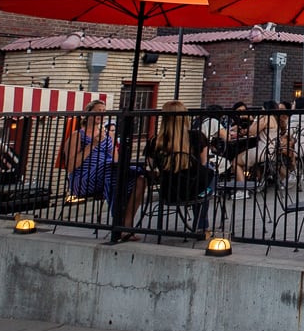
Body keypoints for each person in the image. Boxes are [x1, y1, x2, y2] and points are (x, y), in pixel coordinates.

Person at [60, 100, 145, 238]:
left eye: (104, 111)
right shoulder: (78, 135)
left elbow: (116, 161)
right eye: (98, 110)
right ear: (88, 113)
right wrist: (92, 144)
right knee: (107, 167)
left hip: (107, 175)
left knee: (140, 179)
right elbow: (70, 166)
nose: (101, 114)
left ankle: (126, 224)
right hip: (83, 178)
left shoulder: (108, 135)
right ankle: (118, 224)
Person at [145, 99, 214, 232]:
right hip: (194, 189)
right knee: (209, 171)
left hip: (168, 191)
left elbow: (150, 167)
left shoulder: (155, 141)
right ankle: (201, 224)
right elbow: (203, 163)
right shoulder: (197, 136)